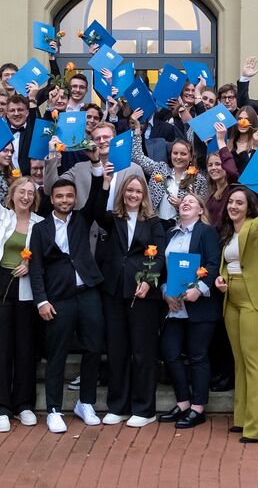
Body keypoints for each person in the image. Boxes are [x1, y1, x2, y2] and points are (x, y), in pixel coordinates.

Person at [88, 174, 168, 427]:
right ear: (122, 193)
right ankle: (118, 406)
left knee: (143, 351)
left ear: (144, 194)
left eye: (138, 191)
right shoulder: (113, 219)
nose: (133, 195)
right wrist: (103, 183)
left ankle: (144, 409)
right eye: (129, 191)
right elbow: (94, 210)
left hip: (142, 293)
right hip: (113, 291)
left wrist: (149, 279)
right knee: (117, 350)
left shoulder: (154, 223)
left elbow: (160, 255)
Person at [29, 178, 105, 434]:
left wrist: (97, 170)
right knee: (57, 353)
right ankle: (53, 409)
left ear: (74, 198)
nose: (65, 200)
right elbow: (36, 268)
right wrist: (41, 300)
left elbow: (96, 198)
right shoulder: (40, 229)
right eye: (60, 196)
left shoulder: (81, 220)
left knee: (94, 347)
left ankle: (86, 403)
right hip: (58, 297)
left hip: (88, 293)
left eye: (69, 196)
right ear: (52, 199)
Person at [213, 182, 258, 444]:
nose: (233, 206)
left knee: (254, 360)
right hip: (232, 298)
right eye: (231, 202)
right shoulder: (230, 232)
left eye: (239, 202)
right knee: (240, 360)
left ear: (248, 206)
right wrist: (221, 278)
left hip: (255, 299)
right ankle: (243, 418)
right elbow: (231, 264)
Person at [0, 148, 43, 433]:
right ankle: (1, 407)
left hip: (27, 287)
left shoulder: (41, 224)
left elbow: (45, 256)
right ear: (13, 194)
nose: (26, 197)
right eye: (22, 192)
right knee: (0, 346)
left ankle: (24, 404)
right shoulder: (1, 216)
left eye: (30, 193)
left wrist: (31, 267)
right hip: (1, 284)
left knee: (25, 347)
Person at [158, 194, 221, 430]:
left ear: (200, 210)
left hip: (199, 304)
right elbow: (163, 270)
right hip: (174, 305)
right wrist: (165, 291)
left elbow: (214, 263)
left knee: (197, 355)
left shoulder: (206, 232)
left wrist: (199, 289)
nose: (186, 202)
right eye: (183, 200)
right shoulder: (170, 234)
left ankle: (198, 408)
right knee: (170, 352)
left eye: (192, 201)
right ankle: (183, 403)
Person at [130, 122, 208, 221]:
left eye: (183, 154)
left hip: (181, 227)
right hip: (156, 225)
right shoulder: (160, 169)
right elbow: (137, 157)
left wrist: (182, 204)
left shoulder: (199, 179)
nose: (178, 157)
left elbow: (203, 209)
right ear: (170, 155)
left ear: (191, 157)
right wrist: (137, 130)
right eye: (175, 153)